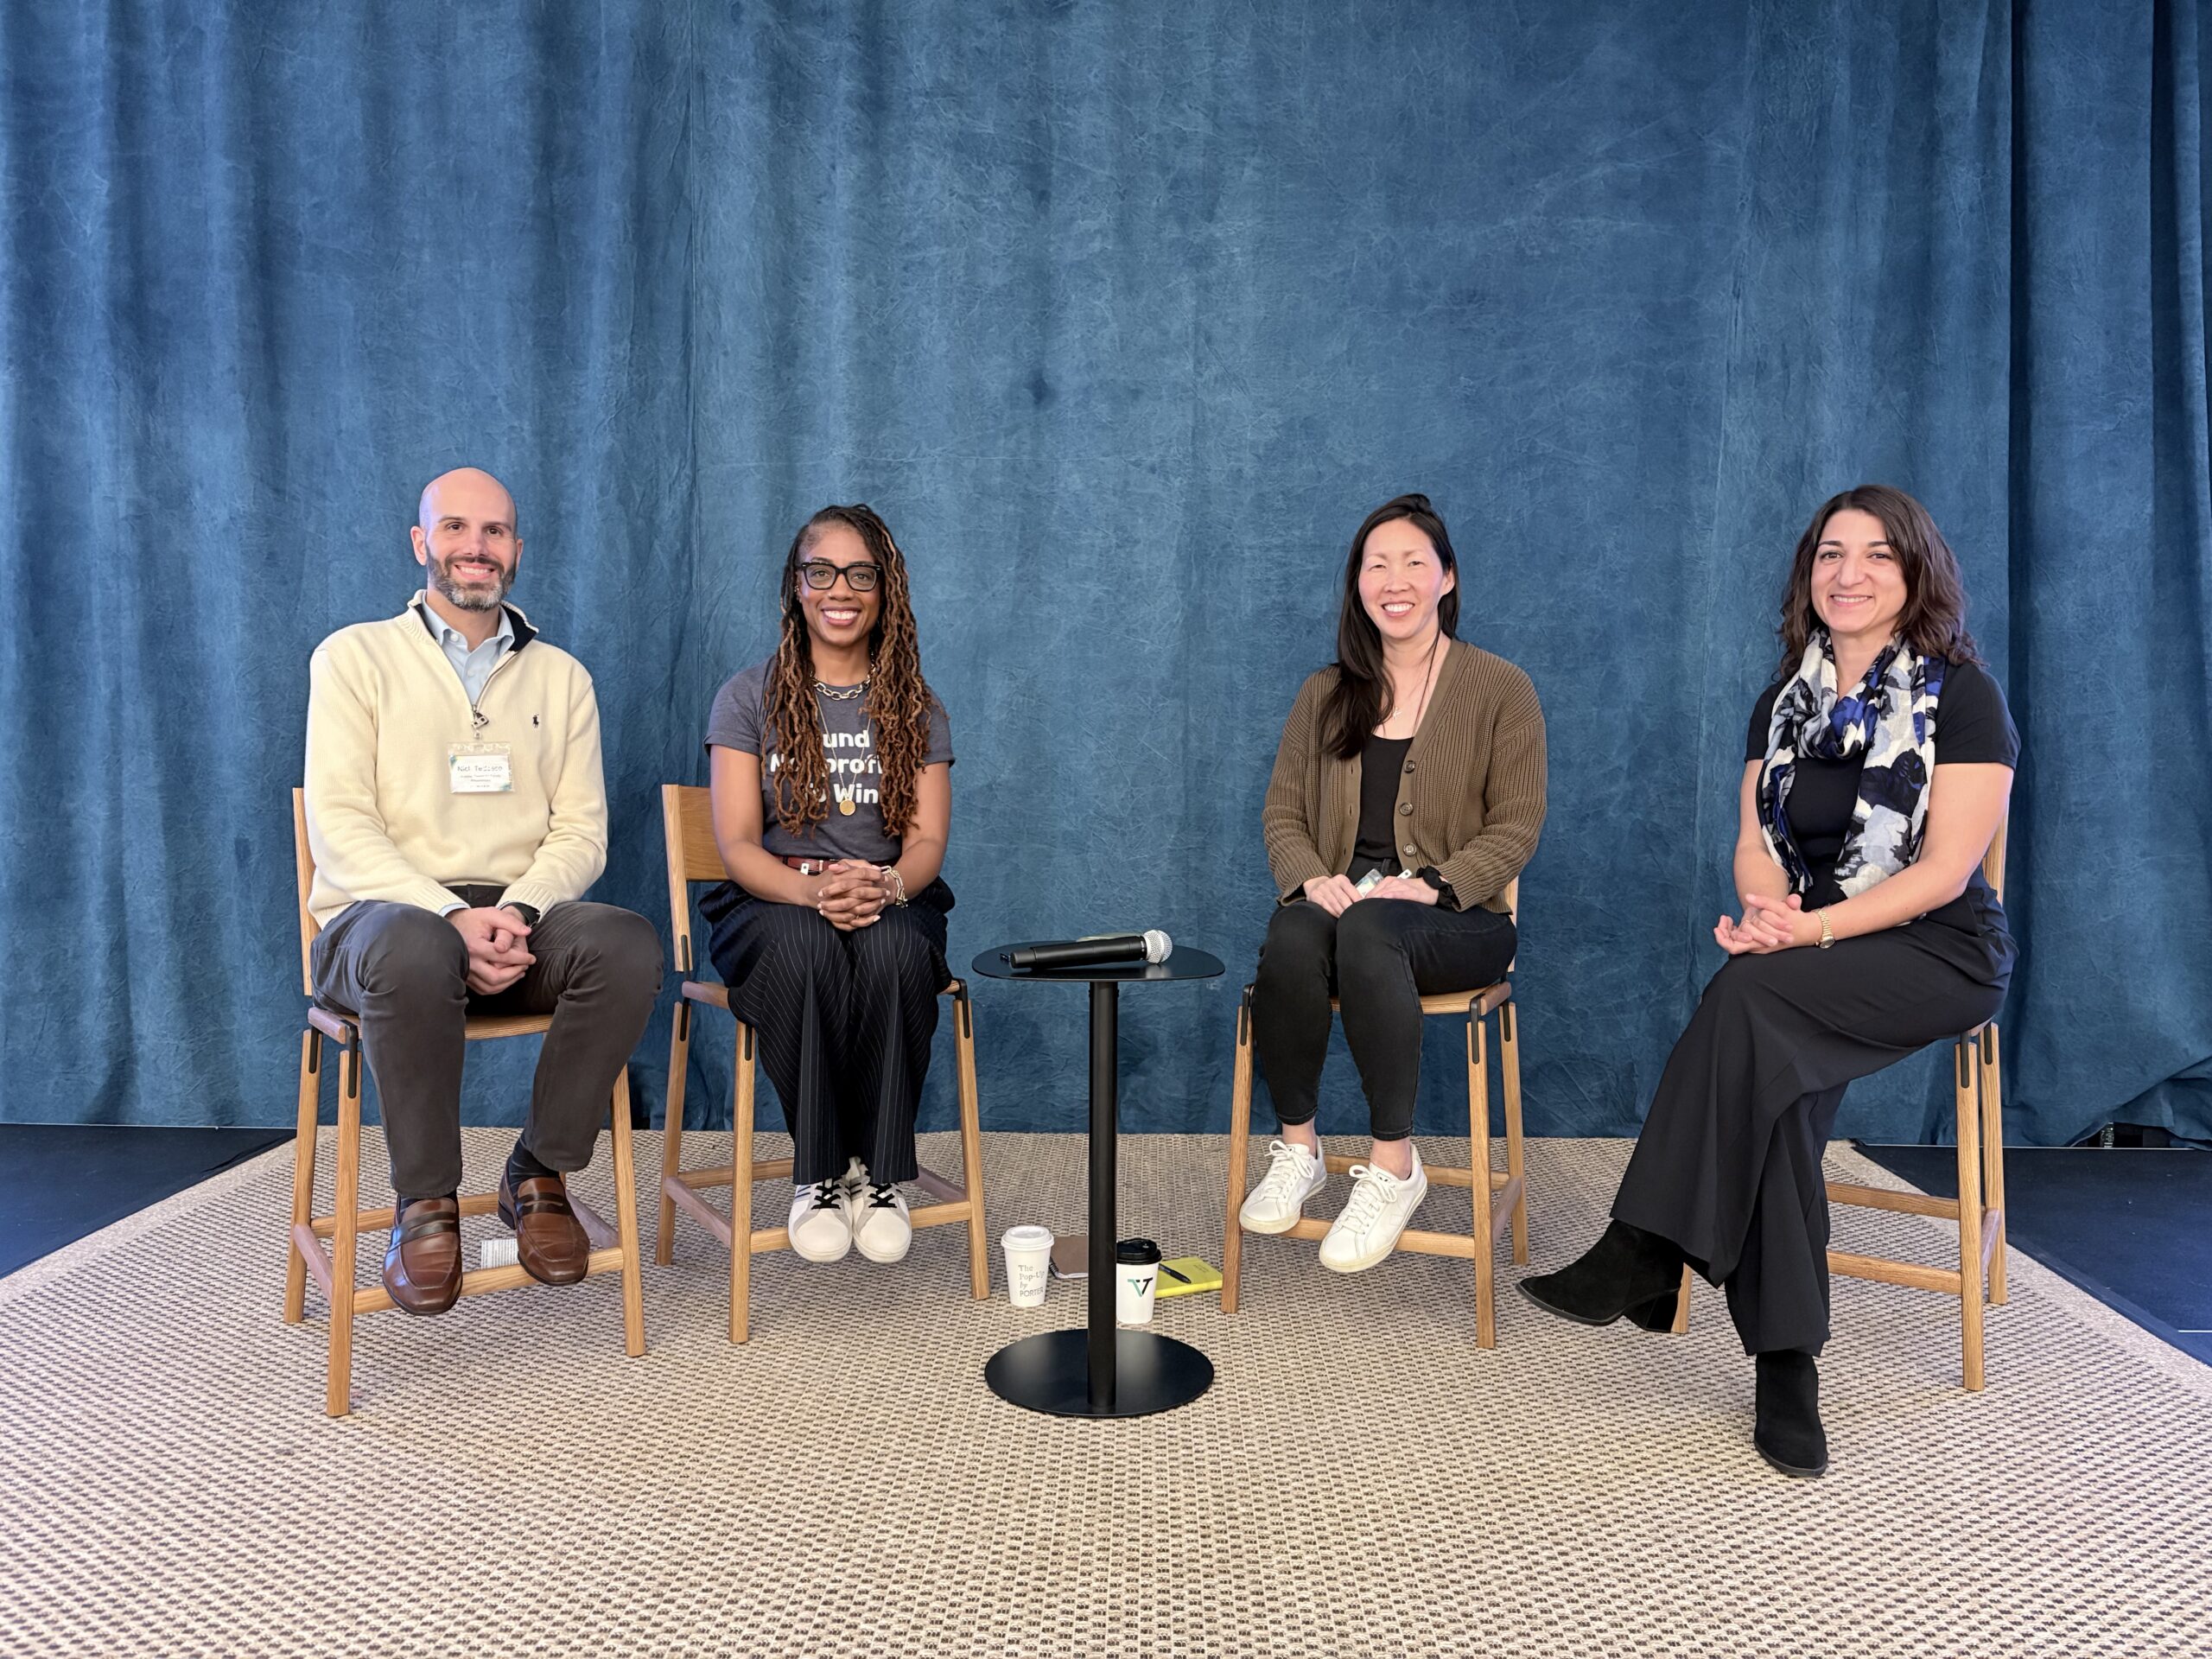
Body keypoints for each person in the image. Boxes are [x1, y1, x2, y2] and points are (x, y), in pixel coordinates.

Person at [1520, 484, 2017, 1479]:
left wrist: (1807, 931)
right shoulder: (1781, 700)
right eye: (1830, 554)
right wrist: (1764, 914)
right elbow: (1754, 846)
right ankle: (1785, 1370)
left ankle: (1646, 1247)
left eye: (1876, 555)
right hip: (1813, 952)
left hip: (1937, 950)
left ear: (1915, 573)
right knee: (1773, 1086)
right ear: (1808, 573)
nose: (1849, 573)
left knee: (1746, 1004)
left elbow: (1942, 875)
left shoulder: (1958, 696)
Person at [304, 467, 663, 1316]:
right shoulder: (354, 658)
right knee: (413, 944)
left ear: (517, 549)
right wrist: (451, 915)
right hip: (381, 920)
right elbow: (341, 827)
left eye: (495, 531)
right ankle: (424, 1203)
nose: (476, 547)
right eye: (456, 528)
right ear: (422, 543)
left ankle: (538, 1174)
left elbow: (580, 832)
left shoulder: (563, 678)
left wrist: (516, 913)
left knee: (625, 943)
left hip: (518, 913)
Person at [1238, 493, 1547, 1272]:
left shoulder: (1500, 688)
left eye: (1415, 562)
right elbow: (1282, 814)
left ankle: (1393, 1166)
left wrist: (1439, 883)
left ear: (1447, 578)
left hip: (1460, 920)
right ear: (1358, 584)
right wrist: (1312, 880)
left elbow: (1518, 824)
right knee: (1293, 932)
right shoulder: (1324, 693)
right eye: (1377, 564)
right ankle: (1300, 1150)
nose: (1395, 579)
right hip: (1347, 914)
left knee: (1373, 928)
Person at [701, 504, 954, 1267]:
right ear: (795, 587)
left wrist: (883, 887)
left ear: (886, 590)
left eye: (860, 573)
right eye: (821, 571)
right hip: (771, 899)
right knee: (807, 949)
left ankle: (875, 1177)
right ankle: (820, 1174)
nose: (839, 589)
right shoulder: (748, 697)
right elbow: (738, 843)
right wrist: (813, 892)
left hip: (890, 894)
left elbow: (928, 843)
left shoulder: (917, 707)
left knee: (894, 956)